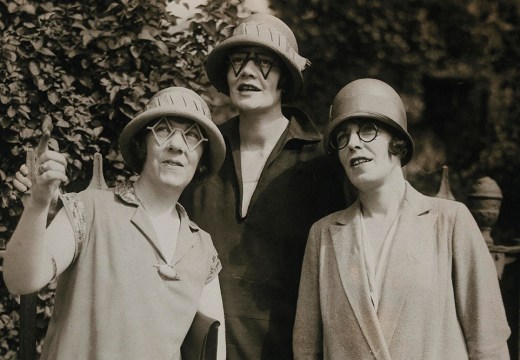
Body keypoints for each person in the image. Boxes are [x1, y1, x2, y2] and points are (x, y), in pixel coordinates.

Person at [293, 78, 511, 359]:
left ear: (397, 142)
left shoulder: (450, 222)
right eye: (342, 137)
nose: (353, 144)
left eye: (367, 130)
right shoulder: (324, 235)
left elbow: (488, 342)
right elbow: (306, 349)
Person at [3, 87, 227, 360]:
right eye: (163, 130)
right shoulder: (90, 208)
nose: (177, 145)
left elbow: (214, 352)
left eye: (192, 135)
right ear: (142, 143)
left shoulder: (202, 248)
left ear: (202, 155)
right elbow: (20, 280)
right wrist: (38, 205)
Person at [180, 13, 355, 359]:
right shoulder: (199, 155)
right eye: (236, 61)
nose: (246, 72)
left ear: (284, 78)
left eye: (262, 62)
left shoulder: (321, 162)